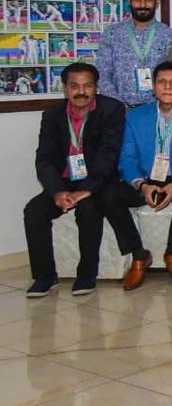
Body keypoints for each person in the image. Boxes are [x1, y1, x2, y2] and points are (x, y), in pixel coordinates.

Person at [23, 63, 128, 297]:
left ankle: (86, 275)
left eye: (87, 85)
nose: (81, 91)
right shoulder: (52, 115)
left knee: (89, 209)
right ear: (65, 88)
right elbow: (44, 159)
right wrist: (58, 192)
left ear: (96, 87)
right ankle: (44, 276)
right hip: (64, 181)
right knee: (34, 211)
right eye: (74, 86)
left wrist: (87, 189)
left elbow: (109, 154)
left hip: (98, 181)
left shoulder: (111, 110)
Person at [111, 61, 172, 289]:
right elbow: (127, 159)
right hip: (146, 178)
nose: (167, 87)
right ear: (153, 86)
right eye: (162, 82)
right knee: (109, 195)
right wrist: (142, 185)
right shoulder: (135, 117)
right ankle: (138, 255)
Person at [97, 0, 172, 107]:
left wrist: (153, 108)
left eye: (148, 0)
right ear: (129, 1)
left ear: (157, 3)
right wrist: (118, 105)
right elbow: (103, 73)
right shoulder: (112, 33)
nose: (142, 5)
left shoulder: (169, 36)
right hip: (118, 110)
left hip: (156, 110)